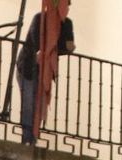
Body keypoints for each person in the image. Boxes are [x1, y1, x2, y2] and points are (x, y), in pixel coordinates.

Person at [16, 0, 75, 146]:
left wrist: (53, 49)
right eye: (65, 6)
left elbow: (68, 47)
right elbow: (37, 41)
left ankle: (33, 138)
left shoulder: (66, 24)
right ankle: (27, 138)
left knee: (38, 104)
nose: (67, 9)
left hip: (44, 69)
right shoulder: (40, 18)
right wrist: (49, 49)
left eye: (67, 6)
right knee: (29, 101)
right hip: (28, 66)